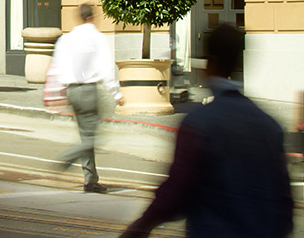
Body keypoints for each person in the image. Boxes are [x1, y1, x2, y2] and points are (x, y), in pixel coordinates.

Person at [120, 23, 293, 237]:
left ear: (211, 63)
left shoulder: (199, 123)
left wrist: (141, 226)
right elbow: (284, 205)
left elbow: (176, 193)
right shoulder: (269, 126)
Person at [49, 3, 123, 193]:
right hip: (88, 91)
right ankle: (68, 157)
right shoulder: (97, 38)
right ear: (91, 17)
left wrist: (57, 93)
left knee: (86, 135)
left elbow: (57, 66)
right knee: (93, 138)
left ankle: (90, 180)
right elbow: (106, 68)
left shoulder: (66, 39)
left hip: (71, 91)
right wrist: (116, 93)